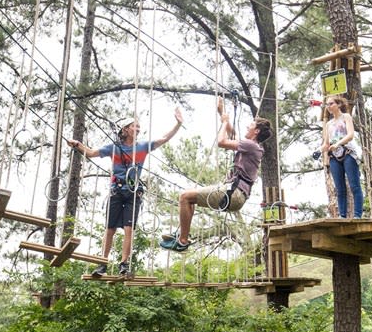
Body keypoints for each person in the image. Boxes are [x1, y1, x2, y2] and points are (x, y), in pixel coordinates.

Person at [68, 109, 183, 276]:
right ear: (125, 130)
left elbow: (163, 139)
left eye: (139, 127)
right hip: (116, 190)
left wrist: (177, 124)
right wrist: (77, 144)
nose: (137, 129)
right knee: (110, 229)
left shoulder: (143, 146)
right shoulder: (113, 148)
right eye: (134, 126)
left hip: (133, 192)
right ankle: (102, 264)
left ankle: (124, 264)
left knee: (129, 228)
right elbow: (92, 153)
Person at [160, 99, 272, 251]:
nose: (248, 126)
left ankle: (183, 240)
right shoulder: (252, 146)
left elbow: (221, 141)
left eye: (251, 125)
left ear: (256, 131)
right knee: (189, 199)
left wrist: (224, 121)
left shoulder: (250, 145)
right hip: (236, 195)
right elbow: (232, 133)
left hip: (234, 194)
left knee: (184, 197)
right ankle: (183, 236)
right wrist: (222, 113)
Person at [321, 95, 363, 218]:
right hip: (334, 156)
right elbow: (326, 143)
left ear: (338, 104)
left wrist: (338, 144)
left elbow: (350, 135)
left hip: (348, 152)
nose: (328, 107)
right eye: (327, 105)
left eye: (331, 104)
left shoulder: (346, 117)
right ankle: (342, 215)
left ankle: (357, 214)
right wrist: (321, 150)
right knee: (339, 188)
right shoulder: (328, 124)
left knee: (354, 185)